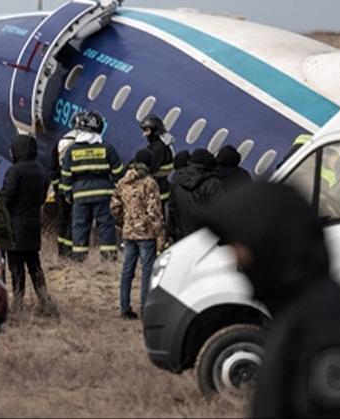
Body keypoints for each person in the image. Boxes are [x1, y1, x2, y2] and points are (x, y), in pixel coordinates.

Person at [204, 183, 340, 418]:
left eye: (241, 246)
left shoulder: (328, 323)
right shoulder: (296, 310)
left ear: (268, 241)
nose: (236, 259)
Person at [59, 110, 124, 262]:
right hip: (103, 194)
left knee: (80, 227)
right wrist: (117, 192)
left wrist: (68, 195)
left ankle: (79, 259)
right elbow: (118, 172)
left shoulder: (71, 151)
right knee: (106, 226)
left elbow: (66, 176)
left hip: (80, 196)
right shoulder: (107, 148)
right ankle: (108, 259)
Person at [2, 134, 56, 314]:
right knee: (34, 265)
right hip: (33, 224)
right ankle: (44, 299)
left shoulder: (15, 171)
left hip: (16, 225)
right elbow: (42, 197)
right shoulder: (41, 170)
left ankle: (18, 303)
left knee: (16, 267)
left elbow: (8, 196)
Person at [110, 149, 164, 320]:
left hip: (128, 233)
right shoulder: (149, 183)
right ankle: (145, 308)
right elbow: (153, 212)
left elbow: (114, 207)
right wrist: (160, 232)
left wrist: (124, 221)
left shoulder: (123, 182)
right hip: (146, 234)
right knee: (147, 271)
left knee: (127, 271)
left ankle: (125, 307)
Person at [167, 148, 227, 242]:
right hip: (207, 239)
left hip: (183, 237)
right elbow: (222, 213)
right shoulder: (213, 183)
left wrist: (171, 233)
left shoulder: (177, 180)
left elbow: (172, 208)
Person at [49, 130, 79, 258]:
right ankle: (70, 251)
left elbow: (53, 170)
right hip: (77, 190)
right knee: (74, 221)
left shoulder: (61, 143)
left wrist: (56, 189)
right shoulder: (84, 144)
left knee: (63, 221)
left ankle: (62, 252)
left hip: (62, 190)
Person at [139, 114, 175, 204]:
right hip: (162, 189)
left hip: (156, 192)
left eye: (147, 131)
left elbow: (147, 170)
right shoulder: (164, 146)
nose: (145, 135)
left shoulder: (156, 149)